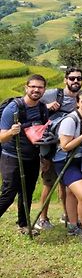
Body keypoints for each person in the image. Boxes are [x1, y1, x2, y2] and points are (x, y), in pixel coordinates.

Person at [0, 74, 49, 234]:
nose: (36, 90)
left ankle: (24, 225)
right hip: (12, 157)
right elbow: (1, 137)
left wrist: (44, 158)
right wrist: (12, 132)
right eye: (33, 86)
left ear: (44, 90)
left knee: (27, 192)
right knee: (9, 192)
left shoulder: (42, 108)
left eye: (40, 87)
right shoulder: (13, 108)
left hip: (33, 157)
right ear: (26, 88)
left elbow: (42, 134)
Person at [36, 67, 82, 230]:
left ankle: (67, 215)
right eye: (72, 78)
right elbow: (31, 104)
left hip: (67, 148)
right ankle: (42, 218)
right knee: (49, 183)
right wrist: (47, 107)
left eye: (78, 78)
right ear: (65, 80)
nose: (75, 81)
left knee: (65, 183)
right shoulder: (52, 94)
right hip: (49, 146)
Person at [53, 89, 82, 244]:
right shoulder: (70, 120)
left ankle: (73, 226)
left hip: (81, 160)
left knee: (71, 193)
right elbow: (65, 146)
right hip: (65, 162)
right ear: (77, 103)